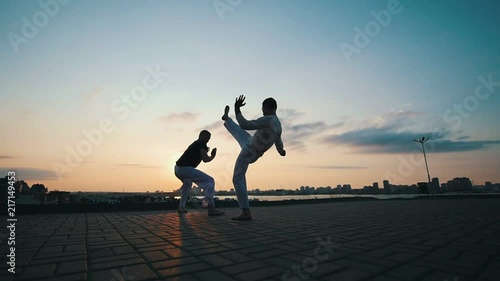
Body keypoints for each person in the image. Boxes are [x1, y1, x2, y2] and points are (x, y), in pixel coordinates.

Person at [222, 95, 286, 220]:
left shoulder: (268, 119)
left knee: (237, 178)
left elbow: (245, 124)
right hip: (251, 144)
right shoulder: (278, 126)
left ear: (269, 108)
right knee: (240, 134)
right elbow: (279, 142)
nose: (262, 111)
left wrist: (237, 109)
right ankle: (227, 119)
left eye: (263, 108)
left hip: (249, 151)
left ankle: (245, 211)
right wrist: (282, 151)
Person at [174, 130, 225, 216]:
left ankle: (181, 207)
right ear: (202, 136)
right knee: (209, 181)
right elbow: (205, 159)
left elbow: (203, 156)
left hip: (177, 169)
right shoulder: (201, 143)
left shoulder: (197, 144)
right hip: (185, 169)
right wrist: (213, 156)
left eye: (209, 138)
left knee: (187, 184)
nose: (208, 140)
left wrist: (208, 154)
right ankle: (211, 208)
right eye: (207, 138)